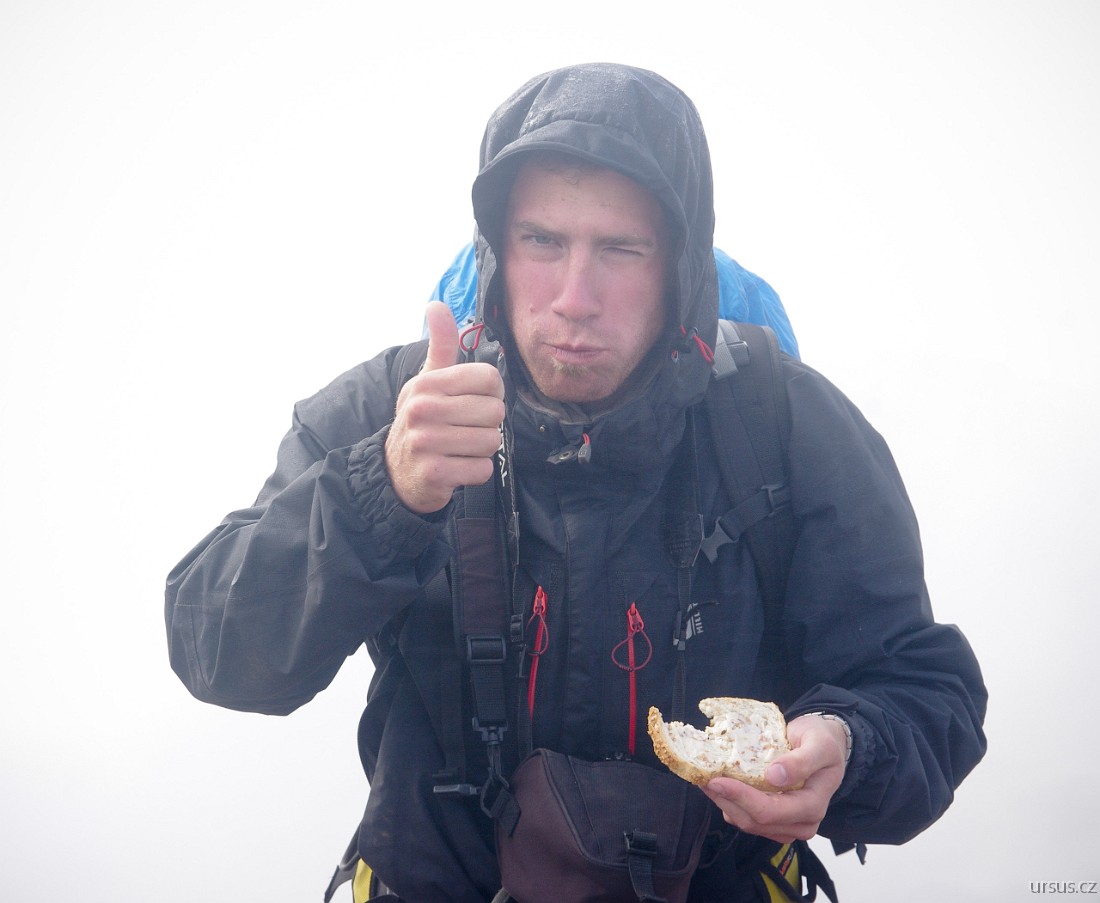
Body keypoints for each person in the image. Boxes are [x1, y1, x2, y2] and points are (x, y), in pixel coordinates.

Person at [165, 63, 987, 903]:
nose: (574, 297)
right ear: (497, 248)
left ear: (680, 267)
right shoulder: (398, 409)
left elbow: (928, 690)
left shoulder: (787, 425)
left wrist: (850, 746)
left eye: (621, 249)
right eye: (542, 241)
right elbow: (212, 646)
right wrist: (383, 490)